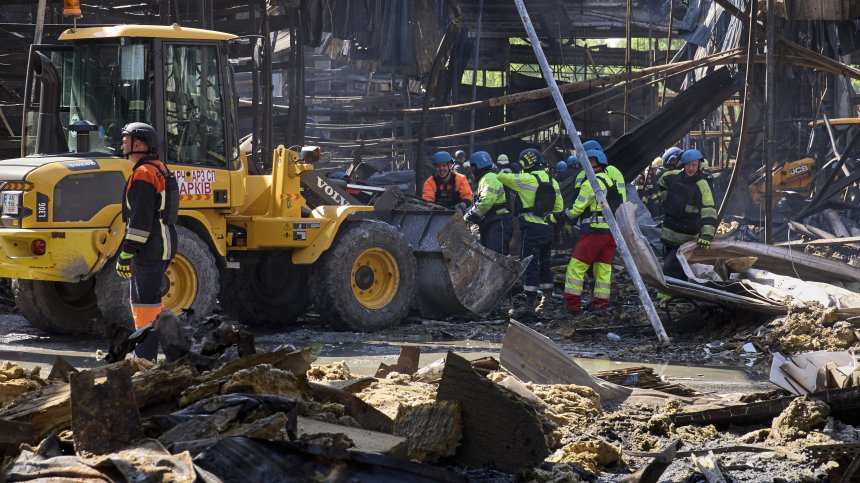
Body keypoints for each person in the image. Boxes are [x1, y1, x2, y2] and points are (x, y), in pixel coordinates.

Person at [116, 122, 179, 361]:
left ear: (139, 144)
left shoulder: (143, 174)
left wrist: (127, 252)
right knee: (151, 304)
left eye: (126, 139)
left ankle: (145, 359)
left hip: (150, 248)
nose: (122, 144)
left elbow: (140, 221)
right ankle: (164, 352)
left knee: (144, 307)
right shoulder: (159, 168)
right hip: (163, 243)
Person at [547, 149, 626, 313]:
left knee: (576, 268)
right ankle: (601, 305)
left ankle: (573, 305)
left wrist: (556, 218)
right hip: (610, 232)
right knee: (603, 269)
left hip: (594, 231)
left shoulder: (592, 182)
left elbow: (576, 210)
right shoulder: (608, 179)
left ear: (590, 162)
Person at [497, 148, 563, 316]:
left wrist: (517, 166)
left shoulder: (526, 179)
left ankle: (529, 303)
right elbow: (559, 208)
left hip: (531, 230)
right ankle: (547, 300)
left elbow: (501, 176)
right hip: (548, 229)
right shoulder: (552, 181)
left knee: (530, 265)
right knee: (546, 264)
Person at [657, 148, 716, 291]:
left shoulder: (702, 185)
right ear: (683, 164)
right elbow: (661, 181)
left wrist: (707, 236)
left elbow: (709, 211)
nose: (690, 168)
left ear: (699, 165)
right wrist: (666, 201)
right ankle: (680, 292)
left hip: (686, 237)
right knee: (676, 265)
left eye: (694, 165)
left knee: (671, 265)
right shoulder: (674, 176)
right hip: (669, 233)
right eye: (688, 165)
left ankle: (669, 294)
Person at [464, 151, 513, 255]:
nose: (472, 171)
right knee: (490, 258)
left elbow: (485, 201)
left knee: (497, 258)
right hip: (492, 223)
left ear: (476, 166)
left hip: (498, 223)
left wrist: (468, 216)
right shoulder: (487, 178)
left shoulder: (489, 177)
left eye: (472, 167)